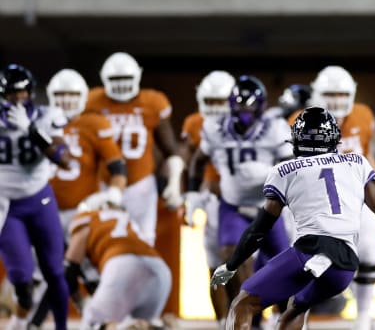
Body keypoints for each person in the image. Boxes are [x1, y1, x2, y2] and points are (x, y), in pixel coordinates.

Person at [210, 107, 375, 330]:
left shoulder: (284, 170)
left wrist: (231, 265)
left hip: (309, 251)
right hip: (345, 264)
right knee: (295, 307)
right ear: (334, 139)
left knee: (242, 304)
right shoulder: (357, 163)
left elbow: (259, 230)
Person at [29, 69, 128, 328]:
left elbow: (117, 166)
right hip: (42, 207)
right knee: (53, 270)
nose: (67, 100)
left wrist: (114, 192)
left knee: (84, 269)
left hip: (82, 208)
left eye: (72, 95)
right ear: (51, 96)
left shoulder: (94, 123)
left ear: (83, 96)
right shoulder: (38, 121)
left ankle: (109, 316)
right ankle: (90, 312)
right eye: (61, 95)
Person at [291, 65, 375, 329]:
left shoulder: (364, 115)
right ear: (317, 95)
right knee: (305, 262)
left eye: (342, 95)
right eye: (330, 94)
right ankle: (296, 318)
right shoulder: (300, 120)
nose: (336, 101)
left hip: (357, 196)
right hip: (317, 202)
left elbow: (366, 154)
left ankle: (364, 318)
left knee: (369, 254)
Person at [188, 75, 293, 315]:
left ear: (261, 105)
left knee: (285, 268)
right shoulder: (215, 128)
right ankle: (247, 315)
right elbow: (198, 160)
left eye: (249, 104)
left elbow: (292, 166)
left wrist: (268, 173)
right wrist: (193, 193)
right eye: (240, 103)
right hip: (233, 206)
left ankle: (283, 318)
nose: (244, 109)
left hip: (268, 207)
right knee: (231, 257)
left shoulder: (275, 127)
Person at [85, 52, 185, 245]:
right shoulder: (92, 101)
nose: (121, 83)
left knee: (143, 240)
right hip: (104, 182)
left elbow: (171, 150)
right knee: (101, 240)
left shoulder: (152, 102)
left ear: (138, 76)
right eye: (116, 78)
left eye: (126, 78)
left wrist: (174, 184)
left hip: (141, 183)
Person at [0, 64, 72, 330]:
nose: (18, 99)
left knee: (54, 270)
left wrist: (31, 130)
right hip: (5, 204)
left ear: (31, 92)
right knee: (21, 278)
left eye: (23, 93)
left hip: (39, 199)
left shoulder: (45, 116)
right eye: (11, 94)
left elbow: (65, 160)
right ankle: (20, 319)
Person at [180, 70, 235, 328]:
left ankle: (251, 318)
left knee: (243, 261)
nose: (214, 108)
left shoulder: (246, 123)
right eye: (210, 101)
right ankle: (223, 321)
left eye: (219, 101)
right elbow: (188, 160)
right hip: (210, 197)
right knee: (214, 264)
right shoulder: (194, 123)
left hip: (240, 200)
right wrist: (188, 196)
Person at [65, 200, 171, 329]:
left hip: (123, 265)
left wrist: (80, 301)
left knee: (92, 325)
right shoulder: (128, 221)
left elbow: (69, 271)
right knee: (140, 325)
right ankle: (157, 325)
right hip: (160, 269)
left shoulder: (87, 219)